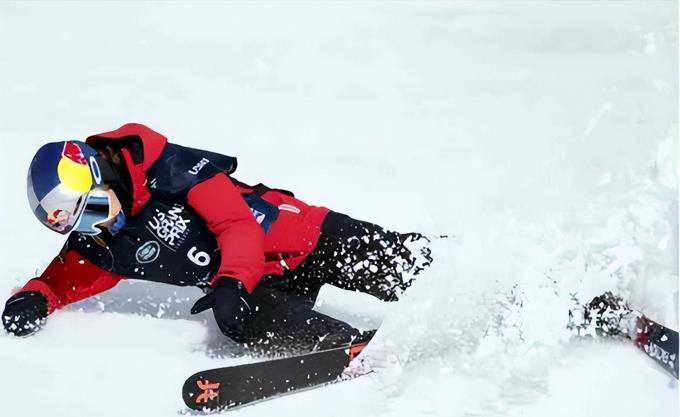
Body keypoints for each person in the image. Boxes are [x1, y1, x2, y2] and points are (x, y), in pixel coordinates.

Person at [3, 123, 431, 353]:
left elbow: (236, 223)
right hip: (263, 284)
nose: (95, 227)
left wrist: (232, 282)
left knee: (406, 268)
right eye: (78, 225)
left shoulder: (165, 167)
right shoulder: (103, 240)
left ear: (102, 176)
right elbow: (63, 278)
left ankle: (462, 273)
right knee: (240, 320)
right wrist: (35, 297)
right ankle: (349, 348)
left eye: (94, 209)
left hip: (308, 238)